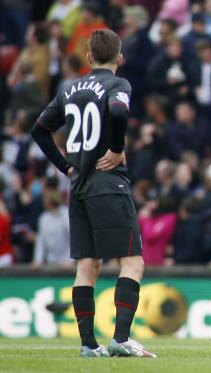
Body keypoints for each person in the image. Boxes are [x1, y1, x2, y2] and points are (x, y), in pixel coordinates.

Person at [30, 29, 155, 358]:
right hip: (108, 182)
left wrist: (65, 167)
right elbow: (117, 112)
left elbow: (39, 130)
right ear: (120, 58)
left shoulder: (69, 89)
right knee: (132, 262)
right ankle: (122, 339)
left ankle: (88, 345)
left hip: (79, 185)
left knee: (87, 266)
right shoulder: (118, 84)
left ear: (88, 57)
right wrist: (116, 148)